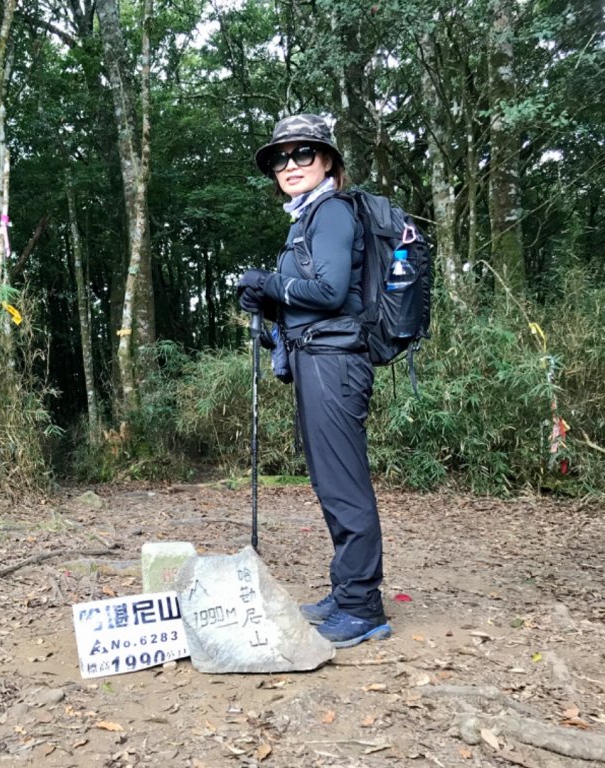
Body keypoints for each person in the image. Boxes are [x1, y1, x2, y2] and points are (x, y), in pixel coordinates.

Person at [237, 114, 392, 649]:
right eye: (280, 157)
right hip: (315, 357)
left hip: (334, 362)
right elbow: (313, 302)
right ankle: (346, 589)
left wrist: (268, 282)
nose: (290, 164)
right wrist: (270, 305)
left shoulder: (329, 212)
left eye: (303, 153)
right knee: (329, 482)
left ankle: (362, 605)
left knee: (343, 483)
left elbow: (327, 293)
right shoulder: (305, 218)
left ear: (327, 160)